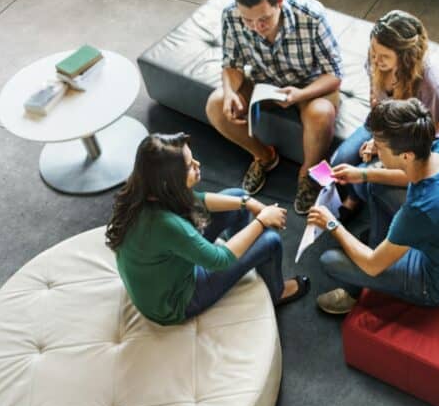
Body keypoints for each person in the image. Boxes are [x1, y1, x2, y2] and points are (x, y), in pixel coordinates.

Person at [107, 132, 310, 325]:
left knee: (237, 196)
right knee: (270, 241)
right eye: (189, 166)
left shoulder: (146, 191)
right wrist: (261, 221)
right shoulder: (165, 224)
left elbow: (197, 200)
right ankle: (277, 292)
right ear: (169, 181)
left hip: (164, 275)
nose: (198, 165)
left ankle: (244, 254)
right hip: (174, 302)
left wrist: (248, 203)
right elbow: (219, 260)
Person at [308, 98, 439, 315]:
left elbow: (373, 265)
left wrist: (331, 224)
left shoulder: (420, 210)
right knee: (375, 186)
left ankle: (363, 282)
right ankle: (383, 244)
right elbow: (410, 176)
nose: (375, 150)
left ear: (406, 155)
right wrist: (362, 174)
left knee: (330, 261)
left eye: (380, 147)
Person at [205, 0, 344, 215]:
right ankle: (264, 156)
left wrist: (300, 94)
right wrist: (229, 93)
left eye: (264, 19)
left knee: (321, 114)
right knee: (215, 106)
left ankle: (309, 175)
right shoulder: (231, 15)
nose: (256, 28)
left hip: (311, 84)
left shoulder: (311, 15)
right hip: (264, 80)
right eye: (248, 21)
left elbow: (334, 75)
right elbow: (231, 64)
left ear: (279, 1)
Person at [329, 10, 439, 223]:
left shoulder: (430, 83)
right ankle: (354, 200)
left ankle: (365, 207)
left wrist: (385, 145)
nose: (376, 60)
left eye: (384, 56)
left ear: (405, 57)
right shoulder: (375, 60)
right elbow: (375, 100)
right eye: (374, 52)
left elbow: (433, 129)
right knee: (340, 160)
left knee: (365, 181)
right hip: (383, 122)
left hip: (415, 137)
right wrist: (375, 138)